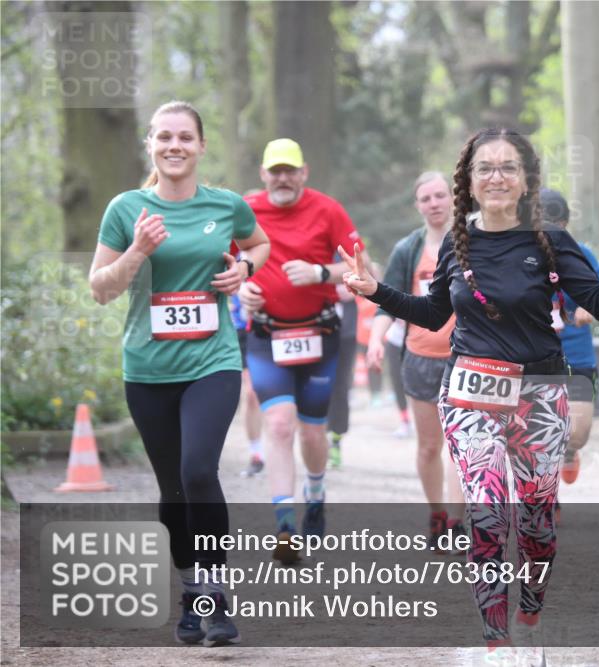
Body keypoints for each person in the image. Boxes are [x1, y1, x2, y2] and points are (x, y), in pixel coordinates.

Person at [341, 127, 599, 665]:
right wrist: (378, 294)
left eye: (509, 167)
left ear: (528, 179)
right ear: (469, 180)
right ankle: (495, 638)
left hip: (539, 391)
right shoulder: (457, 242)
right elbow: (436, 313)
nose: (497, 177)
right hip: (470, 391)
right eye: (485, 168)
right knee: (486, 511)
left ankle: (530, 604)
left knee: (536, 522)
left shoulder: (549, 240)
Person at [89, 100, 270, 646]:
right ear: (150, 144)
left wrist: (244, 267)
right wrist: (137, 252)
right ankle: (191, 592)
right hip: (147, 368)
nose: (174, 146)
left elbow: (258, 242)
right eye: (164, 137)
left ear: (201, 146)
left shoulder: (227, 205)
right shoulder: (127, 209)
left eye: (185, 137)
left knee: (197, 472)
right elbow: (101, 289)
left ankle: (215, 597)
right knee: (171, 488)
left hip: (212, 360)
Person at [238, 138, 367, 564]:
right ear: (263, 174)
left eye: (289, 170)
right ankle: (285, 524)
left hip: (319, 335)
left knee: (313, 431)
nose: (282, 178)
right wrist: (242, 290)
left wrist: (318, 272)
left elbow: (364, 269)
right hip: (266, 336)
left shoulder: (327, 210)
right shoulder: (245, 210)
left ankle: (315, 491)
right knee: (277, 424)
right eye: (275, 170)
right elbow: (221, 266)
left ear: (304, 172)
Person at [366, 171, 466, 551]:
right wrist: (376, 341)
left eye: (441, 195)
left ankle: (457, 523)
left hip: (465, 358)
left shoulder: (470, 243)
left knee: (461, 443)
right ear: (418, 206)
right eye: (426, 198)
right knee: (429, 447)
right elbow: (384, 302)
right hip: (421, 359)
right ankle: (437, 514)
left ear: (452, 198)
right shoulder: (408, 250)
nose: (435, 203)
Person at [537, 188, 599, 485]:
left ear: (565, 225)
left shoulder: (581, 255)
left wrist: (590, 307)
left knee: (577, 432)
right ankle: (545, 495)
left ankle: (569, 452)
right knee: (537, 432)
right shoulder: (519, 257)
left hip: (576, 355)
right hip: (534, 356)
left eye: (556, 227)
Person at [229, 291, 265, 477]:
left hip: (269, 325)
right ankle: (256, 453)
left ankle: (282, 444)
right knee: (251, 393)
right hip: (239, 328)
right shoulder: (233, 260)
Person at [325, 280, 357, 468]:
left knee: (339, 387)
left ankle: (335, 441)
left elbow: (370, 275)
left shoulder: (350, 252)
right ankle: (316, 440)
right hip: (315, 327)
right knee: (315, 385)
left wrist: (357, 288)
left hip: (345, 331)